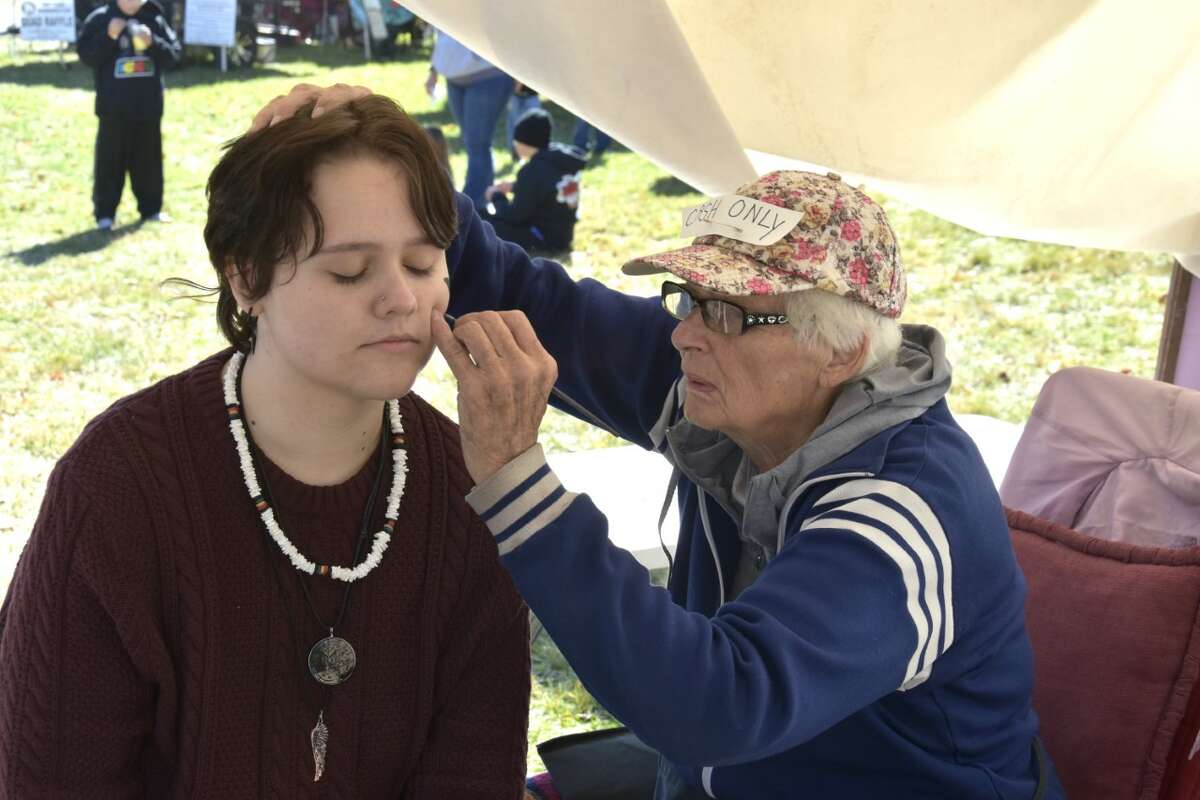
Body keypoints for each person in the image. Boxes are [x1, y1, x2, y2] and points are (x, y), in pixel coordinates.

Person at [256, 85, 1064, 799]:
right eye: (689, 298)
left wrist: (516, 482)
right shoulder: (742, 391)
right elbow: (543, 305)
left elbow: (719, 706)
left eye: (731, 312)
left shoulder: (905, 512)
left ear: (842, 350)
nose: (686, 337)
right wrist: (402, 163)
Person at [0, 95, 531, 798]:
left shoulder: (470, 486)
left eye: (424, 262)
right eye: (350, 271)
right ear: (245, 276)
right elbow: (51, 775)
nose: (401, 298)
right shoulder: (120, 483)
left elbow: (475, 775)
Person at [77, 0, 180, 231]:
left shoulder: (154, 18)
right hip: (113, 110)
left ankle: (151, 209)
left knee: (149, 163)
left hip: (148, 108)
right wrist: (109, 36)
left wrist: (152, 42)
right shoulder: (100, 18)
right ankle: (105, 215)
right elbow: (86, 56)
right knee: (109, 164)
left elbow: (173, 56)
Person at [424, 29, 512, 209]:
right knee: (474, 144)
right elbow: (441, 32)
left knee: (477, 144)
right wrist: (434, 69)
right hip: (455, 77)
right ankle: (479, 203)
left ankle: (472, 207)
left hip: (487, 74)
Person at [482, 108, 586, 254]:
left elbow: (515, 216)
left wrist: (496, 196)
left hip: (542, 237)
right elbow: (546, 188)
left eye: (516, 141)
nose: (515, 145)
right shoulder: (560, 161)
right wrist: (514, 187)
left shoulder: (531, 171)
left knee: (484, 223)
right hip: (564, 235)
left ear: (526, 142)